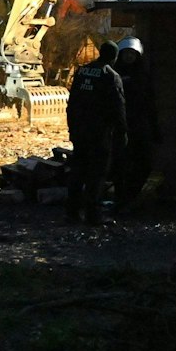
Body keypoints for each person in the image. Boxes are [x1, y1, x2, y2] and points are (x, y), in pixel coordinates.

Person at [66, 41, 128, 224]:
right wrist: (122, 132)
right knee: (97, 173)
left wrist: (72, 128)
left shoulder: (82, 71)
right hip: (99, 133)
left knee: (77, 171)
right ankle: (93, 214)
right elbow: (119, 107)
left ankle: (72, 212)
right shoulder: (111, 76)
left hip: (79, 131)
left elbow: (72, 103)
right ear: (114, 57)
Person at [109, 37, 160, 210]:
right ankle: (121, 197)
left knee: (144, 163)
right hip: (118, 125)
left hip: (140, 124)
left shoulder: (143, 75)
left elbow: (151, 102)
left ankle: (131, 195)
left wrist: (155, 127)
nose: (129, 57)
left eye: (132, 54)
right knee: (120, 163)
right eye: (126, 54)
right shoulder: (113, 74)